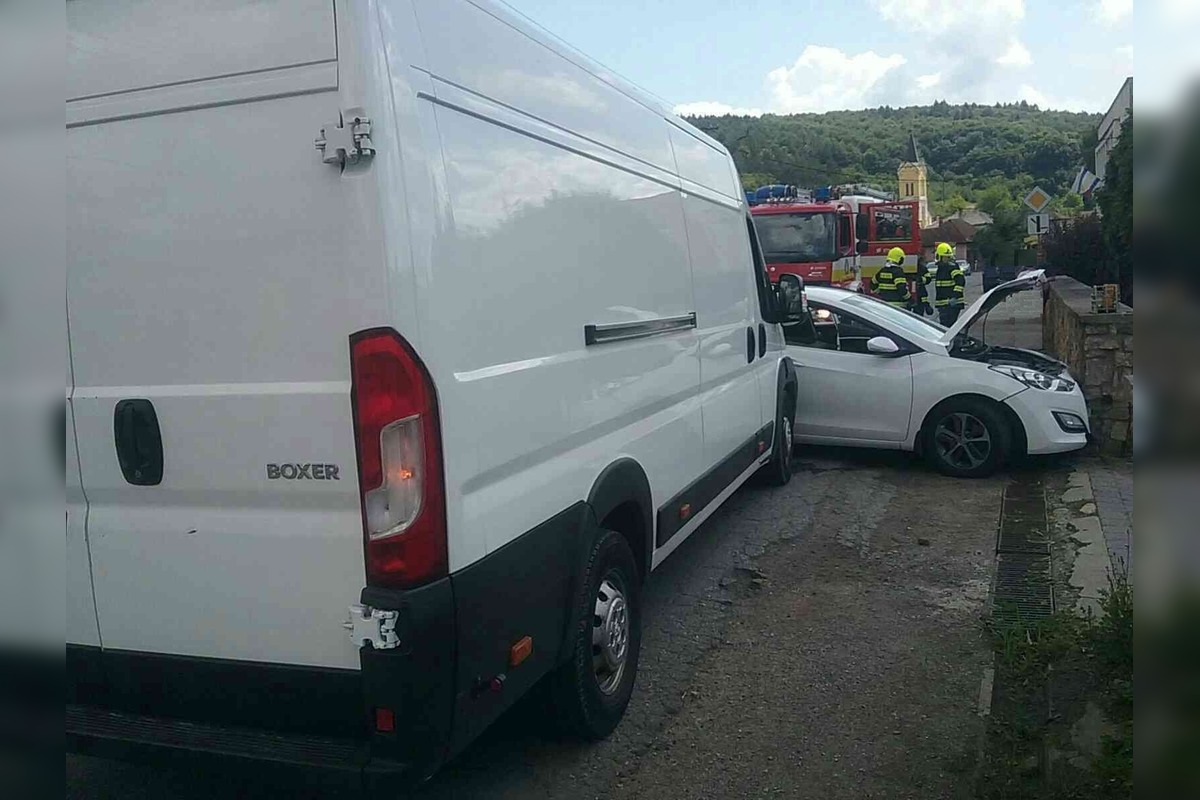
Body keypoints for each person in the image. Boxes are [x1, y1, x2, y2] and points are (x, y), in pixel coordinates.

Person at [932, 242, 966, 325]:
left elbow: (961, 281)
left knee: (947, 327)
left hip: (950, 304)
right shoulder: (942, 268)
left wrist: (954, 297)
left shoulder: (951, 267)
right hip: (945, 304)